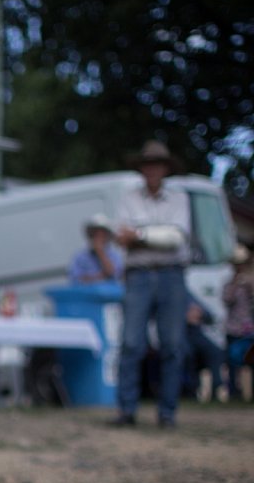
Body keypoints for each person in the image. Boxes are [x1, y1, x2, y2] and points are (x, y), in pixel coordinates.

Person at [111, 140, 191, 428]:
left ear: (166, 168)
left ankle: (167, 412)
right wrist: (155, 235)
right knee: (131, 343)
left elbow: (176, 238)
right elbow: (121, 236)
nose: (153, 169)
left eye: (158, 164)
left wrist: (140, 236)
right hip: (139, 276)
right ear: (142, 168)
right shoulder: (127, 197)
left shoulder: (179, 198)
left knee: (172, 345)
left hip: (172, 275)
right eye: (148, 164)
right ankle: (126, 410)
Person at [222, 244, 254, 401]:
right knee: (233, 362)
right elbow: (227, 300)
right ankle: (234, 393)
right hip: (233, 328)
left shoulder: (251, 282)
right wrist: (235, 285)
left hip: (250, 329)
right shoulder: (229, 283)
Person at [182, 296, 228, 403]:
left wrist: (200, 313)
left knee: (216, 352)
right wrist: (184, 316)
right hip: (181, 332)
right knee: (187, 354)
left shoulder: (191, 295)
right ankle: (191, 390)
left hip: (197, 332)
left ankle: (217, 388)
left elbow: (209, 314)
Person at [67, 214, 125, 285]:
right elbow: (75, 280)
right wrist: (100, 277)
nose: (98, 238)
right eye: (95, 234)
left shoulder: (115, 255)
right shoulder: (79, 257)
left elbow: (115, 275)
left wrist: (101, 253)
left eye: (102, 235)